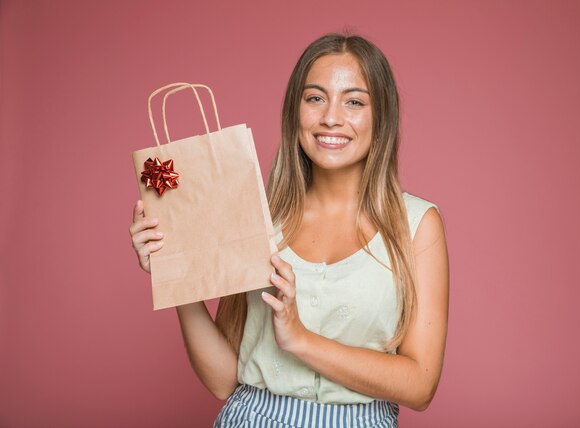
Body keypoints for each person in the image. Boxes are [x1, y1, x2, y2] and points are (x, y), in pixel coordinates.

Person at [129, 33, 449, 427]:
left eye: (354, 101)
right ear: (294, 112)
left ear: (381, 117)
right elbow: (222, 380)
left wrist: (299, 338)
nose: (331, 117)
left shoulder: (417, 226)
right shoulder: (260, 216)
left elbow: (420, 386)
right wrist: (177, 271)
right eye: (315, 98)